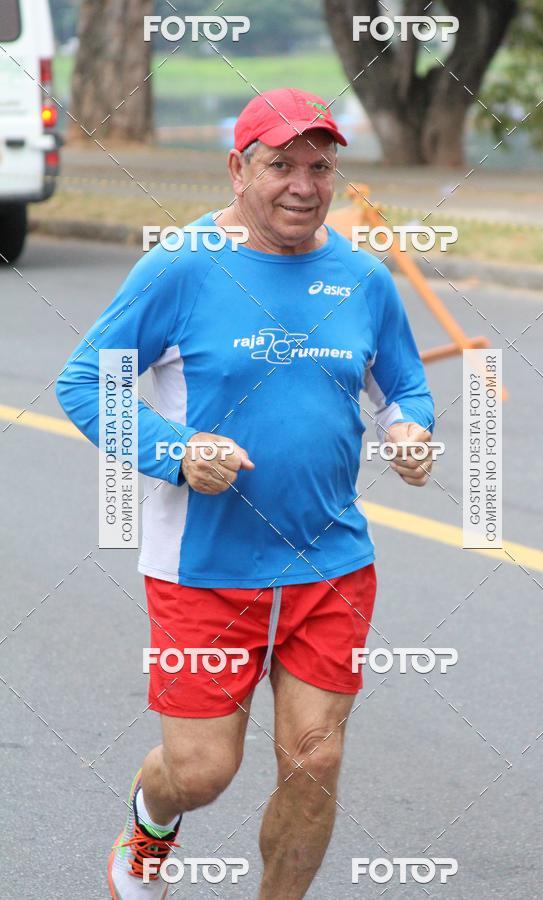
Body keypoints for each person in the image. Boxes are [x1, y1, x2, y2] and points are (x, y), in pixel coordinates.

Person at [56, 87, 435, 900]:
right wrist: (176, 450)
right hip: (204, 568)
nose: (302, 184)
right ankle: (152, 825)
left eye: (319, 167)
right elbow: (86, 382)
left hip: (328, 561)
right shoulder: (180, 267)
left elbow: (403, 385)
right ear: (238, 169)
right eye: (280, 165)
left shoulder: (363, 278)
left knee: (315, 758)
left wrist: (408, 429)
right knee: (201, 772)